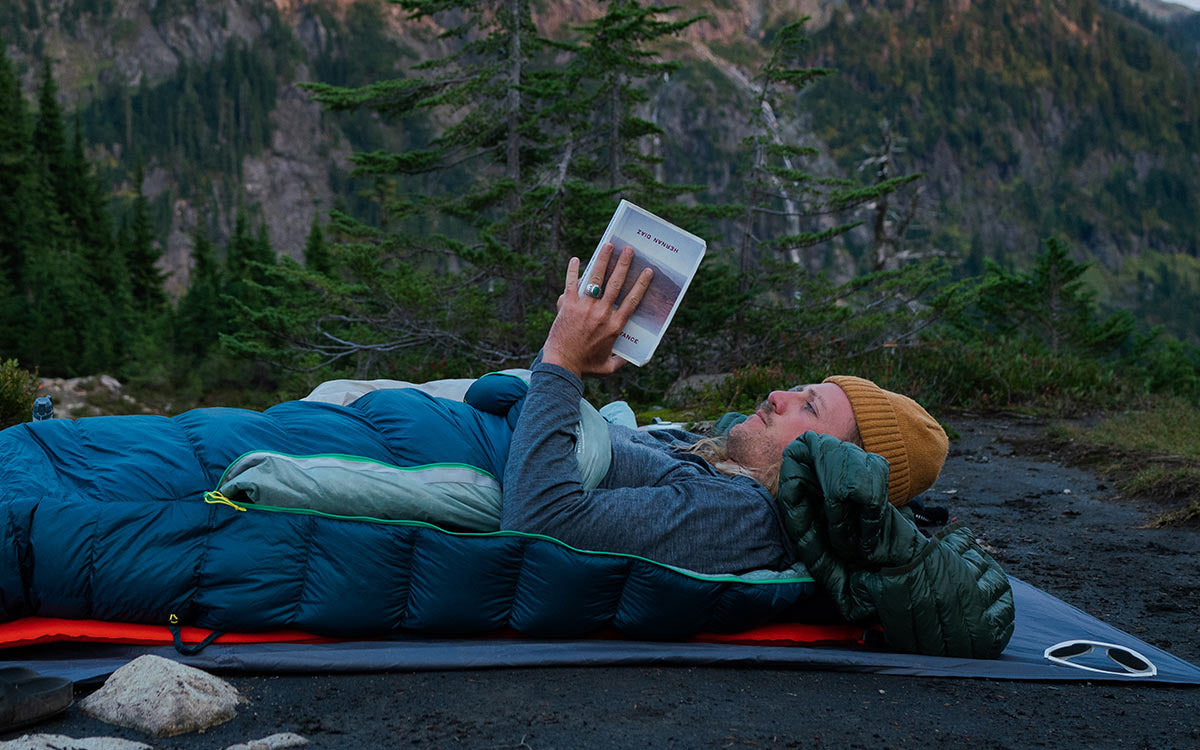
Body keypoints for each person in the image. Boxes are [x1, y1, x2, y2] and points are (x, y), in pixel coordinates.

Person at [501, 243, 948, 575]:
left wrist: (563, 357)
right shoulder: (718, 458)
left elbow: (539, 529)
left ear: (828, 471)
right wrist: (567, 346)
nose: (777, 395)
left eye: (809, 409)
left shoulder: (742, 517)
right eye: (797, 389)